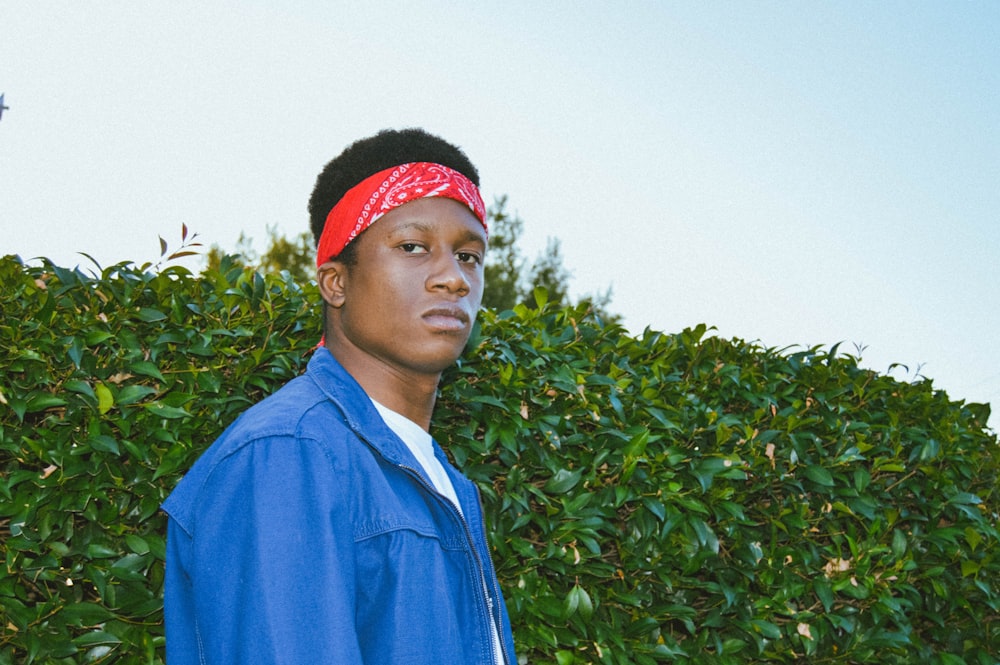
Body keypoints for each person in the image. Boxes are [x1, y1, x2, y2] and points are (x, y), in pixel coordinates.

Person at [161, 128, 516, 664]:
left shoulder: (442, 478)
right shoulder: (287, 454)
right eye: (413, 247)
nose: (453, 278)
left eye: (468, 255)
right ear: (335, 282)